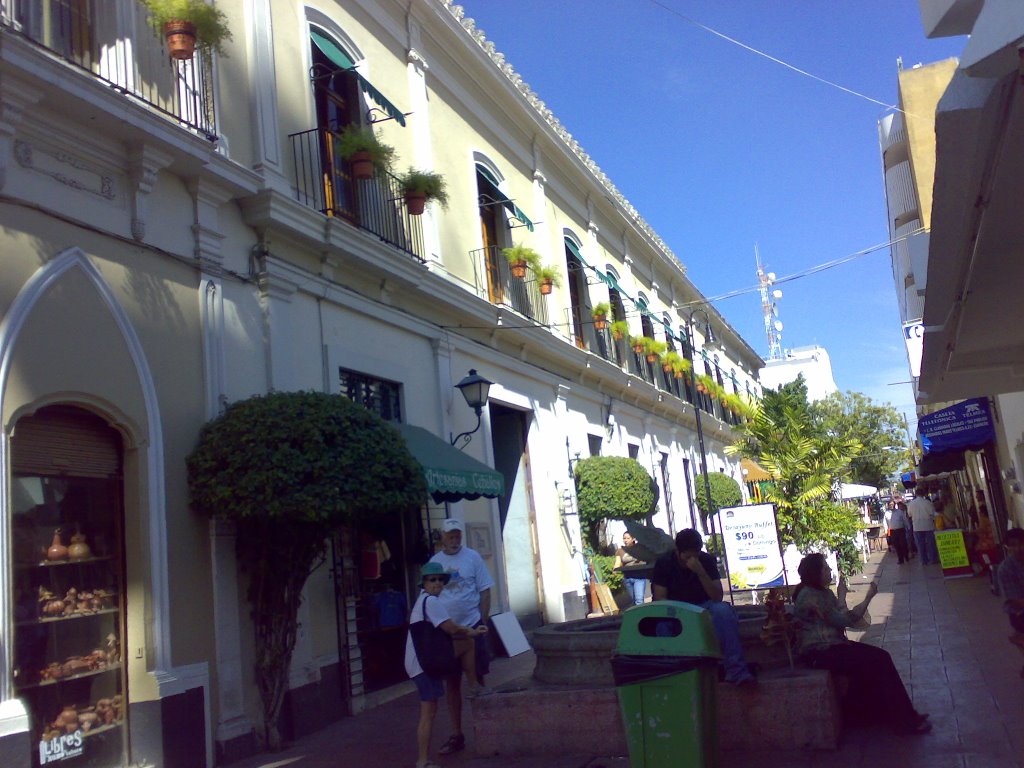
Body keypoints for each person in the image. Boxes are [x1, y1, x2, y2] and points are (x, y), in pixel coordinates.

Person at [792, 553, 931, 734]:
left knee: (876, 659)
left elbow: (840, 615)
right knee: (879, 659)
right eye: (825, 568)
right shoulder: (810, 596)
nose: (829, 571)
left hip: (834, 645)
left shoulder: (823, 593)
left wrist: (841, 595)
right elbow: (844, 619)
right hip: (819, 652)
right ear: (815, 573)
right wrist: (868, 598)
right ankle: (905, 720)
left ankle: (879, 716)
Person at [405, 562, 488, 768]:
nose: (437, 584)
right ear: (424, 583)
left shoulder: (424, 601)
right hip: (424, 664)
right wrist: (472, 631)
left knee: (467, 644)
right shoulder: (431, 602)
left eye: (440, 580)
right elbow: (450, 628)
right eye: (432, 580)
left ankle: (474, 686)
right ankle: (422, 761)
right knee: (428, 712)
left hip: (426, 659)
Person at [652, 529, 755, 686]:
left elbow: (717, 596)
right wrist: (681, 614)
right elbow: (660, 598)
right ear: (678, 551)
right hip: (675, 609)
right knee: (662, 626)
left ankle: (736, 671)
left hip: (704, 607)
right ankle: (674, 676)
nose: (692, 560)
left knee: (723, 611)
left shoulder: (705, 561)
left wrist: (701, 572)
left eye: (695, 555)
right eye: (687, 557)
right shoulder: (665, 563)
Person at [429, 518, 495, 756]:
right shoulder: (435, 563)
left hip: (472, 627)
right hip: (448, 633)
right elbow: (428, 598)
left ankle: (487, 731)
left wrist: (482, 622)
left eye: (457, 536)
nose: (454, 540)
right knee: (452, 683)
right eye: (450, 536)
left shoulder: (473, 558)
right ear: (443, 538)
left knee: (478, 679)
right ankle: (457, 735)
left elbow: (485, 590)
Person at [997, 528, 1024, 678]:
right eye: (1013, 545)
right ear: (1007, 547)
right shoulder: (1005, 569)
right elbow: (1016, 601)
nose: (1019, 548)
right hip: (1019, 612)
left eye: (1021, 543)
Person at [614, 531, 648, 606]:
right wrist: (615, 570)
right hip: (627, 578)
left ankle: (641, 617)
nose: (625, 540)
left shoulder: (639, 548)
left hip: (639, 577)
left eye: (628, 538)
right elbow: (617, 562)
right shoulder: (620, 551)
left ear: (633, 539)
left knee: (639, 601)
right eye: (624, 538)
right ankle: (635, 616)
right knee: (633, 601)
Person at [907, 486, 938, 565]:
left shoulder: (911, 504)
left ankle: (924, 561)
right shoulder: (927, 502)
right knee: (930, 544)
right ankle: (933, 559)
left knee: (920, 545)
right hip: (928, 525)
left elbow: (909, 514)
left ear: (916, 494)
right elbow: (932, 513)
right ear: (923, 494)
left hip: (917, 526)